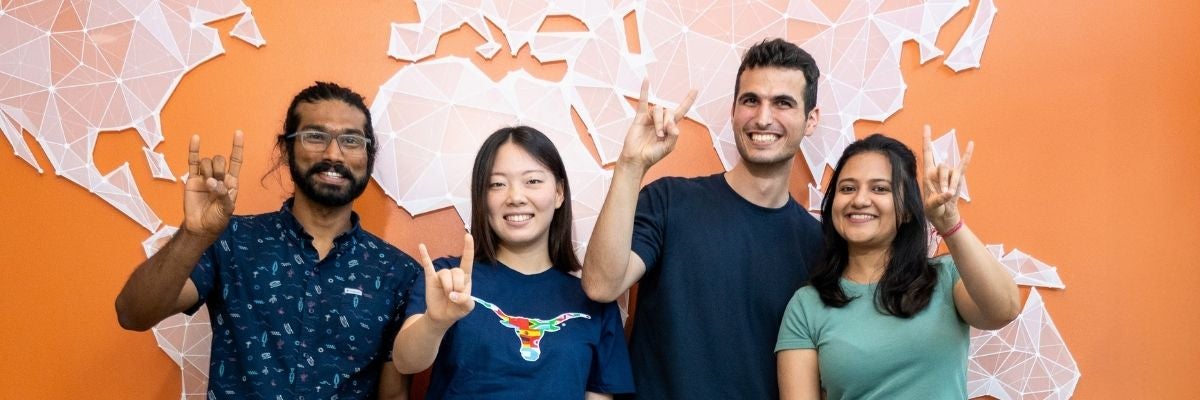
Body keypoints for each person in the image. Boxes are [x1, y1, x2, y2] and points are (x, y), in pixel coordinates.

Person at [115, 82, 418, 399]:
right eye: (315, 136)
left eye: (351, 140)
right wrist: (193, 234)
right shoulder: (231, 240)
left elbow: (393, 395)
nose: (333, 153)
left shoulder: (397, 273)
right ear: (287, 149)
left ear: (369, 156)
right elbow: (133, 314)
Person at [582, 38, 824, 399]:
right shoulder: (669, 200)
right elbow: (601, 285)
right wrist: (632, 165)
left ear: (811, 120)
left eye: (783, 103)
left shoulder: (820, 245)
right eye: (750, 100)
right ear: (733, 111)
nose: (763, 117)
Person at [392, 126, 634, 399]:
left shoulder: (595, 301)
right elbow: (405, 361)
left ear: (559, 193)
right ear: (482, 198)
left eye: (532, 181)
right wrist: (434, 322)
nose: (515, 197)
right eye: (497, 184)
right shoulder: (449, 278)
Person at [775, 131, 1022, 399]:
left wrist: (950, 223)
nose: (859, 200)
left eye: (879, 188)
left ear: (906, 209)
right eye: (847, 188)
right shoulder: (806, 306)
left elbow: (1004, 310)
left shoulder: (946, 278)